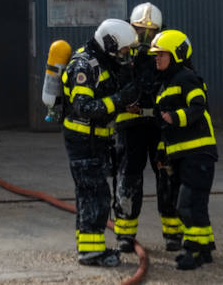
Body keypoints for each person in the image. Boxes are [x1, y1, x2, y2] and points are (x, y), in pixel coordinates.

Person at [61, 17, 140, 267]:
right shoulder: (84, 65)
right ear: (109, 44)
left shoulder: (104, 62)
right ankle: (91, 253)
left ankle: (89, 248)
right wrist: (119, 100)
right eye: (124, 50)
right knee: (95, 194)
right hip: (83, 139)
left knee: (90, 194)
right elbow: (83, 107)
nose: (125, 55)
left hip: (97, 140)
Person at [112, 2, 180, 253]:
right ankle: (125, 235)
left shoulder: (168, 54)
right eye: (140, 31)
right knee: (128, 177)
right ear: (131, 28)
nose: (146, 38)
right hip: (130, 125)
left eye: (151, 32)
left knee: (168, 173)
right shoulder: (121, 54)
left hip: (160, 124)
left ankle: (173, 232)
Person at [149, 28, 217, 271]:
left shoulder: (186, 78)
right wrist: (160, 151)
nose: (156, 58)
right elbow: (163, 126)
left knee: (187, 205)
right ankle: (205, 247)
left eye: (161, 54)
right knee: (194, 203)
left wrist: (176, 118)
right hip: (182, 154)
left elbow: (198, 105)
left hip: (197, 153)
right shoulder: (165, 84)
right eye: (155, 55)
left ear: (177, 55)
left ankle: (193, 251)